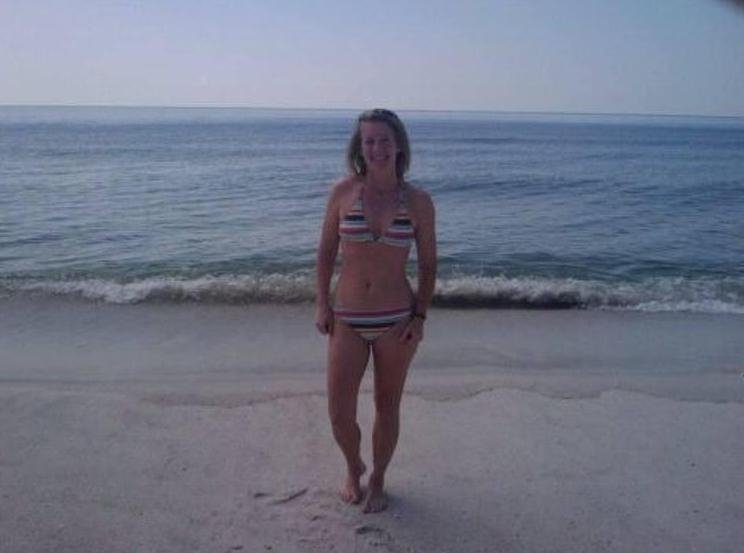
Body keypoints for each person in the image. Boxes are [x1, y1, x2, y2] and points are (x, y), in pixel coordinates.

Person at [315, 109, 437, 513]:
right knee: (339, 413)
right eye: (369, 141)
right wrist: (322, 303)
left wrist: (420, 316)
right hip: (347, 318)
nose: (377, 148)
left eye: (384, 140)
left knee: (387, 407)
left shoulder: (418, 201)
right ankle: (354, 467)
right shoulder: (342, 192)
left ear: (399, 145)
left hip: (397, 320)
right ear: (359, 146)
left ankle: (379, 478)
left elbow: (429, 264)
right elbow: (325, 252)